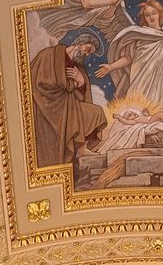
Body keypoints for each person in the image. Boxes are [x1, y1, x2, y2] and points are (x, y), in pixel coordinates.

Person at [30, 31, 108, 167]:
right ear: (80, 42)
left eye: (90, 54)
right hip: (50, 108)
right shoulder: (49, 55)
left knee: (97, 112)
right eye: (88, 49)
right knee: (94, 112)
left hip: (69, 108)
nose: (87, 54)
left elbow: (83, 98)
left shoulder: (78, 69)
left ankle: (82, 149)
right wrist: (71, 85)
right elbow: (38, 83)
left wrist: (81, 83)